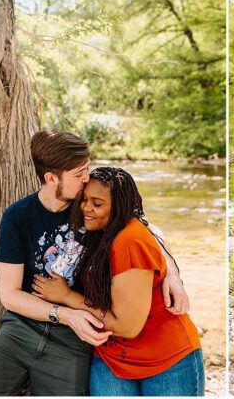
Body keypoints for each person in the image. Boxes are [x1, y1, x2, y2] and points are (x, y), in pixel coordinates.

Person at [0, 131, 188, 397]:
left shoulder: (90, 208)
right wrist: (65, 313)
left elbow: (145, 229)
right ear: (51, 178)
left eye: (87, 168)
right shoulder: (18, 217)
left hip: (74, 340)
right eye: (79, 173)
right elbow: (10, 295)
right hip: (19, 331)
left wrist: (172, 273)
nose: (86, 178)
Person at [34, 168, 205, 396]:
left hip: (166, 359)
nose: (86, 208)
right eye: (84, 199)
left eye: (97, 203)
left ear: (120, 207)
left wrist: (66, 297)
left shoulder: (130, 239)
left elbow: (127, 326)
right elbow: (152, 229)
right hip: (111, 357)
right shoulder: (99, 229)